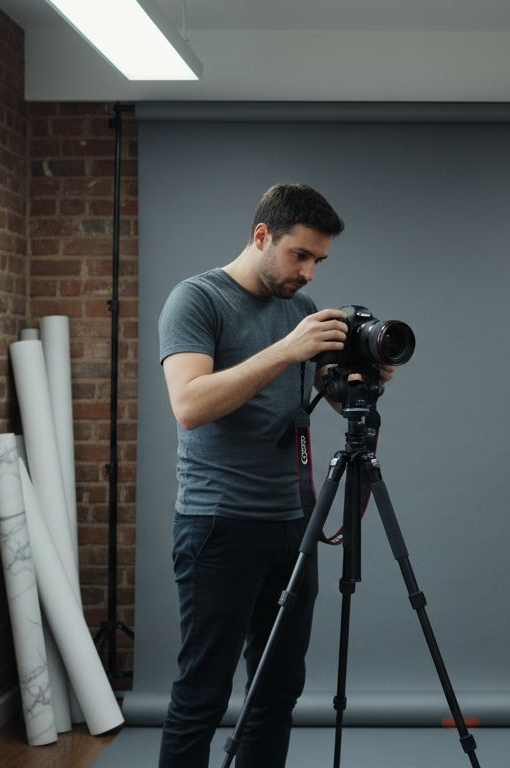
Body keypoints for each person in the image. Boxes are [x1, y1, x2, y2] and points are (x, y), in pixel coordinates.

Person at [156, 183, 352, 767]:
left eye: (319, 260)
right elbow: (189, 404)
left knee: (277, 691)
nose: (310, 273)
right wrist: (287, 351)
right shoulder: (196, 300)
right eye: (301, 255)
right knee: (203, 694)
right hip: (218, 523)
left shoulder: (301, 311)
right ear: (262, 236)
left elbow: (321, 395)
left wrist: (362, 379)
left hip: (292, 523)